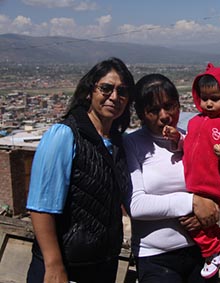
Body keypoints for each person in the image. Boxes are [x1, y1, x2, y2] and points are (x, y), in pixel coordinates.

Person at [26, 57, 135, 283]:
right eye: (106, 88)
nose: (114, 97)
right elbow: (41, 207)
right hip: (65, 266)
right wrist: (54, 264)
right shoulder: (64, 135)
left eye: (122, 91)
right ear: (89, 92)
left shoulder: (119, 143)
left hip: (102, 265)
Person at [123, 73, 220, 283]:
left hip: (201, 251)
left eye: (170, 106)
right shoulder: (132, 144)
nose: (165, 115)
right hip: (155, 257)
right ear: (140, 113)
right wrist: (191, 203)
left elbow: (219, 189)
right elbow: (137, 205)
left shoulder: (192, 139)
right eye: (154, 110)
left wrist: (206, 216)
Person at [163, 59, 220, 282]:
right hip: (199, 187)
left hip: (218, 187)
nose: (208, 104)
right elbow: (193, 145)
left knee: (193, 220)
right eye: (205, 98)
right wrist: (178, 138)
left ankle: (214, 251)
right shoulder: (195, 122)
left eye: (215, 99)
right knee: (198, 221)